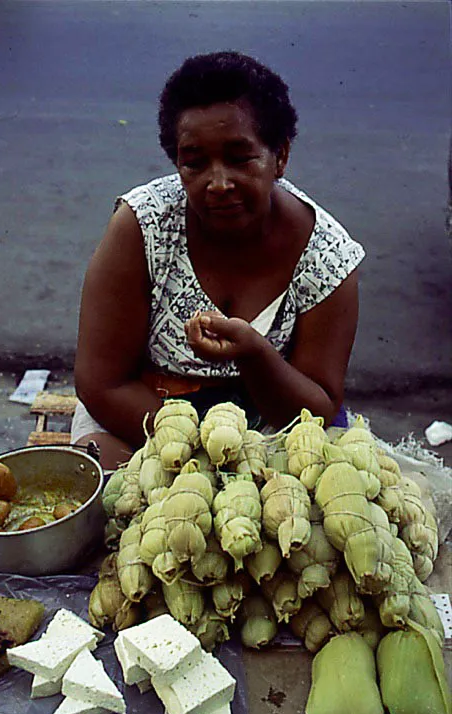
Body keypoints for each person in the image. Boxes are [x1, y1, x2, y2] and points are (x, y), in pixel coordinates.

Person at [73, 51, 364, 470]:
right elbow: (102, 383)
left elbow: (316, 411)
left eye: (240, 157)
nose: (219, 183)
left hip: (271, 435)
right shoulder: (142, 226)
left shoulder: (326, 256)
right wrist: (196, 454)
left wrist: (254, 355)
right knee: (112, 502)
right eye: (194, 162)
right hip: (142, 422)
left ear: (279, 156)